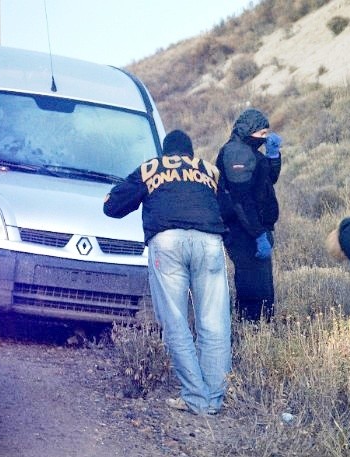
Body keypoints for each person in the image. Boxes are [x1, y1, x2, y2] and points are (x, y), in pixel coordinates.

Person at [103, 130, 231, 416]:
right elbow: (228, 209)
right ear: (190, 153)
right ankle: (212, 401)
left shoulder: (151, 168)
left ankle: (195, 397)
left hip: (168, 242)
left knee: (175, 322)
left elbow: (112, 207)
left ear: (165, 153)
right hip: (210, 242)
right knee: (215, 324)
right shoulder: (208, 170)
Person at [216, 108, 281, 322]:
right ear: (248, 131)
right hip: (242, 230)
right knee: (251, 282)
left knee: (262, 282)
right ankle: (250, 329)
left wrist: (274, 156)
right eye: (262, 135)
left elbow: (268, 179)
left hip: (255, 227)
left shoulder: (250, 152)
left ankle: (261, 327)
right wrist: (258, 234)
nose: (264, 139)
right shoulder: (236, 152)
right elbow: (240, 200)